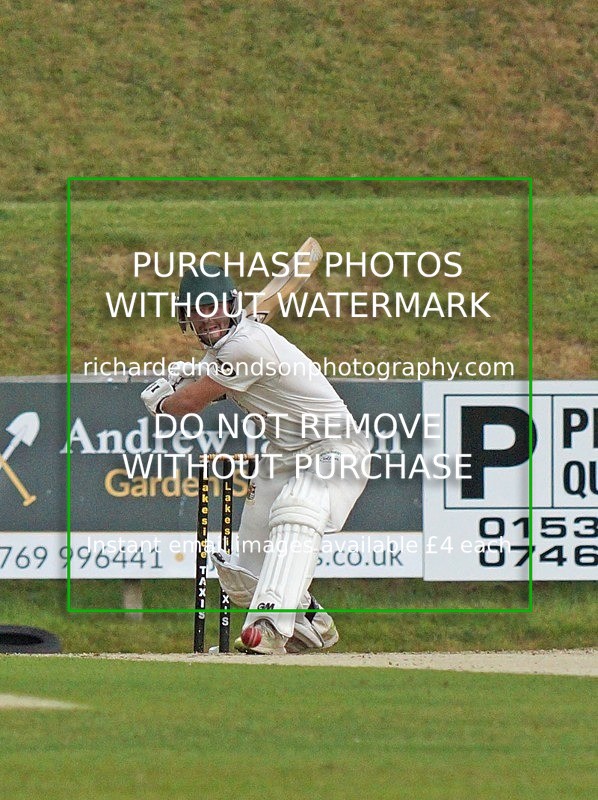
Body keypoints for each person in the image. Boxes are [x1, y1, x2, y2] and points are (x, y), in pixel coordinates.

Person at [141, 266, 371, 654]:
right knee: (243, 577)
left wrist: (161, 401)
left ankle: (269, 624)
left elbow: (192, 402)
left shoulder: (247, 345)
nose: (205, 317)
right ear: (186, 318)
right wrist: (196, 374)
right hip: (284, 455)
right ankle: (312, 622)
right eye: (196, 311)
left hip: (336, 448)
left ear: (230, 306)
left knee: (299, 507)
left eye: (211, 307)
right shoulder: (230, 351)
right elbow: (218, 382)